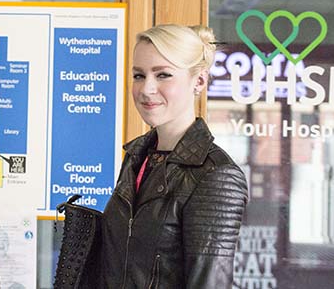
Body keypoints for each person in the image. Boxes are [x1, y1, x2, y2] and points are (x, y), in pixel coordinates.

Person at [100, 24, 248, 288]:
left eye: (163, 75)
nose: (147, 89)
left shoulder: (215, 174)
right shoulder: (137, 158)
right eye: (138, 75)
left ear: (199, 81)